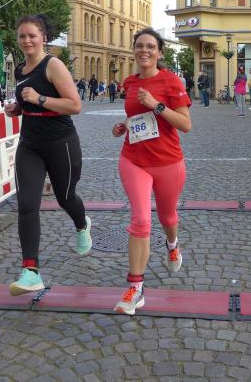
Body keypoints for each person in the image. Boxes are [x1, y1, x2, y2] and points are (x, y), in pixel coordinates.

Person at [3, 14, 91, 296]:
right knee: (27, 203)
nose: (26, 40)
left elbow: (74, 105)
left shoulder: (53, 65)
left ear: (43, 37)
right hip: (30, 144)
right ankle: (30, 272)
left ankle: (82, 224)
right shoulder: (20, 69)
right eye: (22, 36)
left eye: (32, 35)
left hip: (60, 142)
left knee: (65, 197)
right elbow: (26, 100)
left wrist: (39, 99)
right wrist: (18, 108)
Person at [111, 28, 192, 315]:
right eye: (139, 46)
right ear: (134, 50)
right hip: (133, 159)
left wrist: (156, 105)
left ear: (159, 52)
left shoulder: (171, 81)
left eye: (150, 46)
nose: (144, 50)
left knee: (167, 217)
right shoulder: (130, 82)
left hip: (168, 162)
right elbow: (136, 117)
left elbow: (185, 124)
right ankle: (135, 288)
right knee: (141, 220)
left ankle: (172, 244)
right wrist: (124, 126)